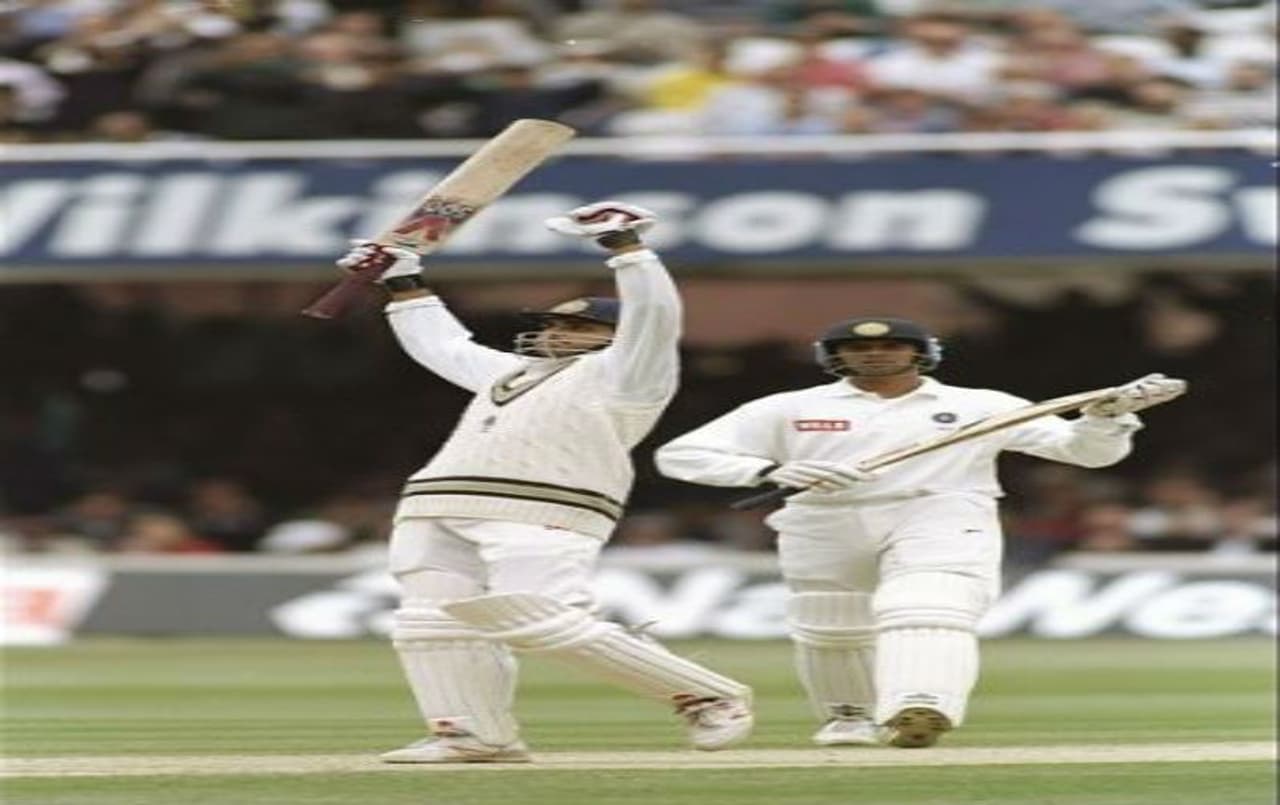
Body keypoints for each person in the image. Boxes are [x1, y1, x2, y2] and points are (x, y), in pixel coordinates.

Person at [334, 201, 752, 764]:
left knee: (542, 619)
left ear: (617, 337)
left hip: (544, 506)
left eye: (577, 327)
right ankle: (474, 735)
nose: (556, 333)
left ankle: (708, 696)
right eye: (553, 324)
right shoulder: (514, 372)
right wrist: (402, 281)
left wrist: (628, 249)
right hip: (437, 501)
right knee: (427, 622)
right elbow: (443, 347)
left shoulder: (628, 375)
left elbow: (655, 319)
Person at [654, 317, 1185, 749]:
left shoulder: (982, 405)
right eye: (858, 348)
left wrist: (1104, 419)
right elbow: (680, 455)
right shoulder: (789, 408)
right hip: (824, 518)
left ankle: (921, 703)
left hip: (939, 510)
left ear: (921, 353)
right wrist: (768, 471)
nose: (875, 354)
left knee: (928, 604)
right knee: (830, 624)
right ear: (833, 356)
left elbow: (1084, 452)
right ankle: (849, 716)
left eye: (892, 346)